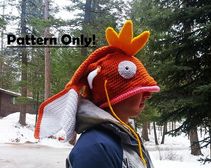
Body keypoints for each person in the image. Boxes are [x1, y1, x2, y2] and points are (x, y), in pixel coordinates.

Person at [34, 20, 160, 168]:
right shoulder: (96, 147)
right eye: (139, 89)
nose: (147, 95)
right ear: (111, 93)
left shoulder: (127, 137)